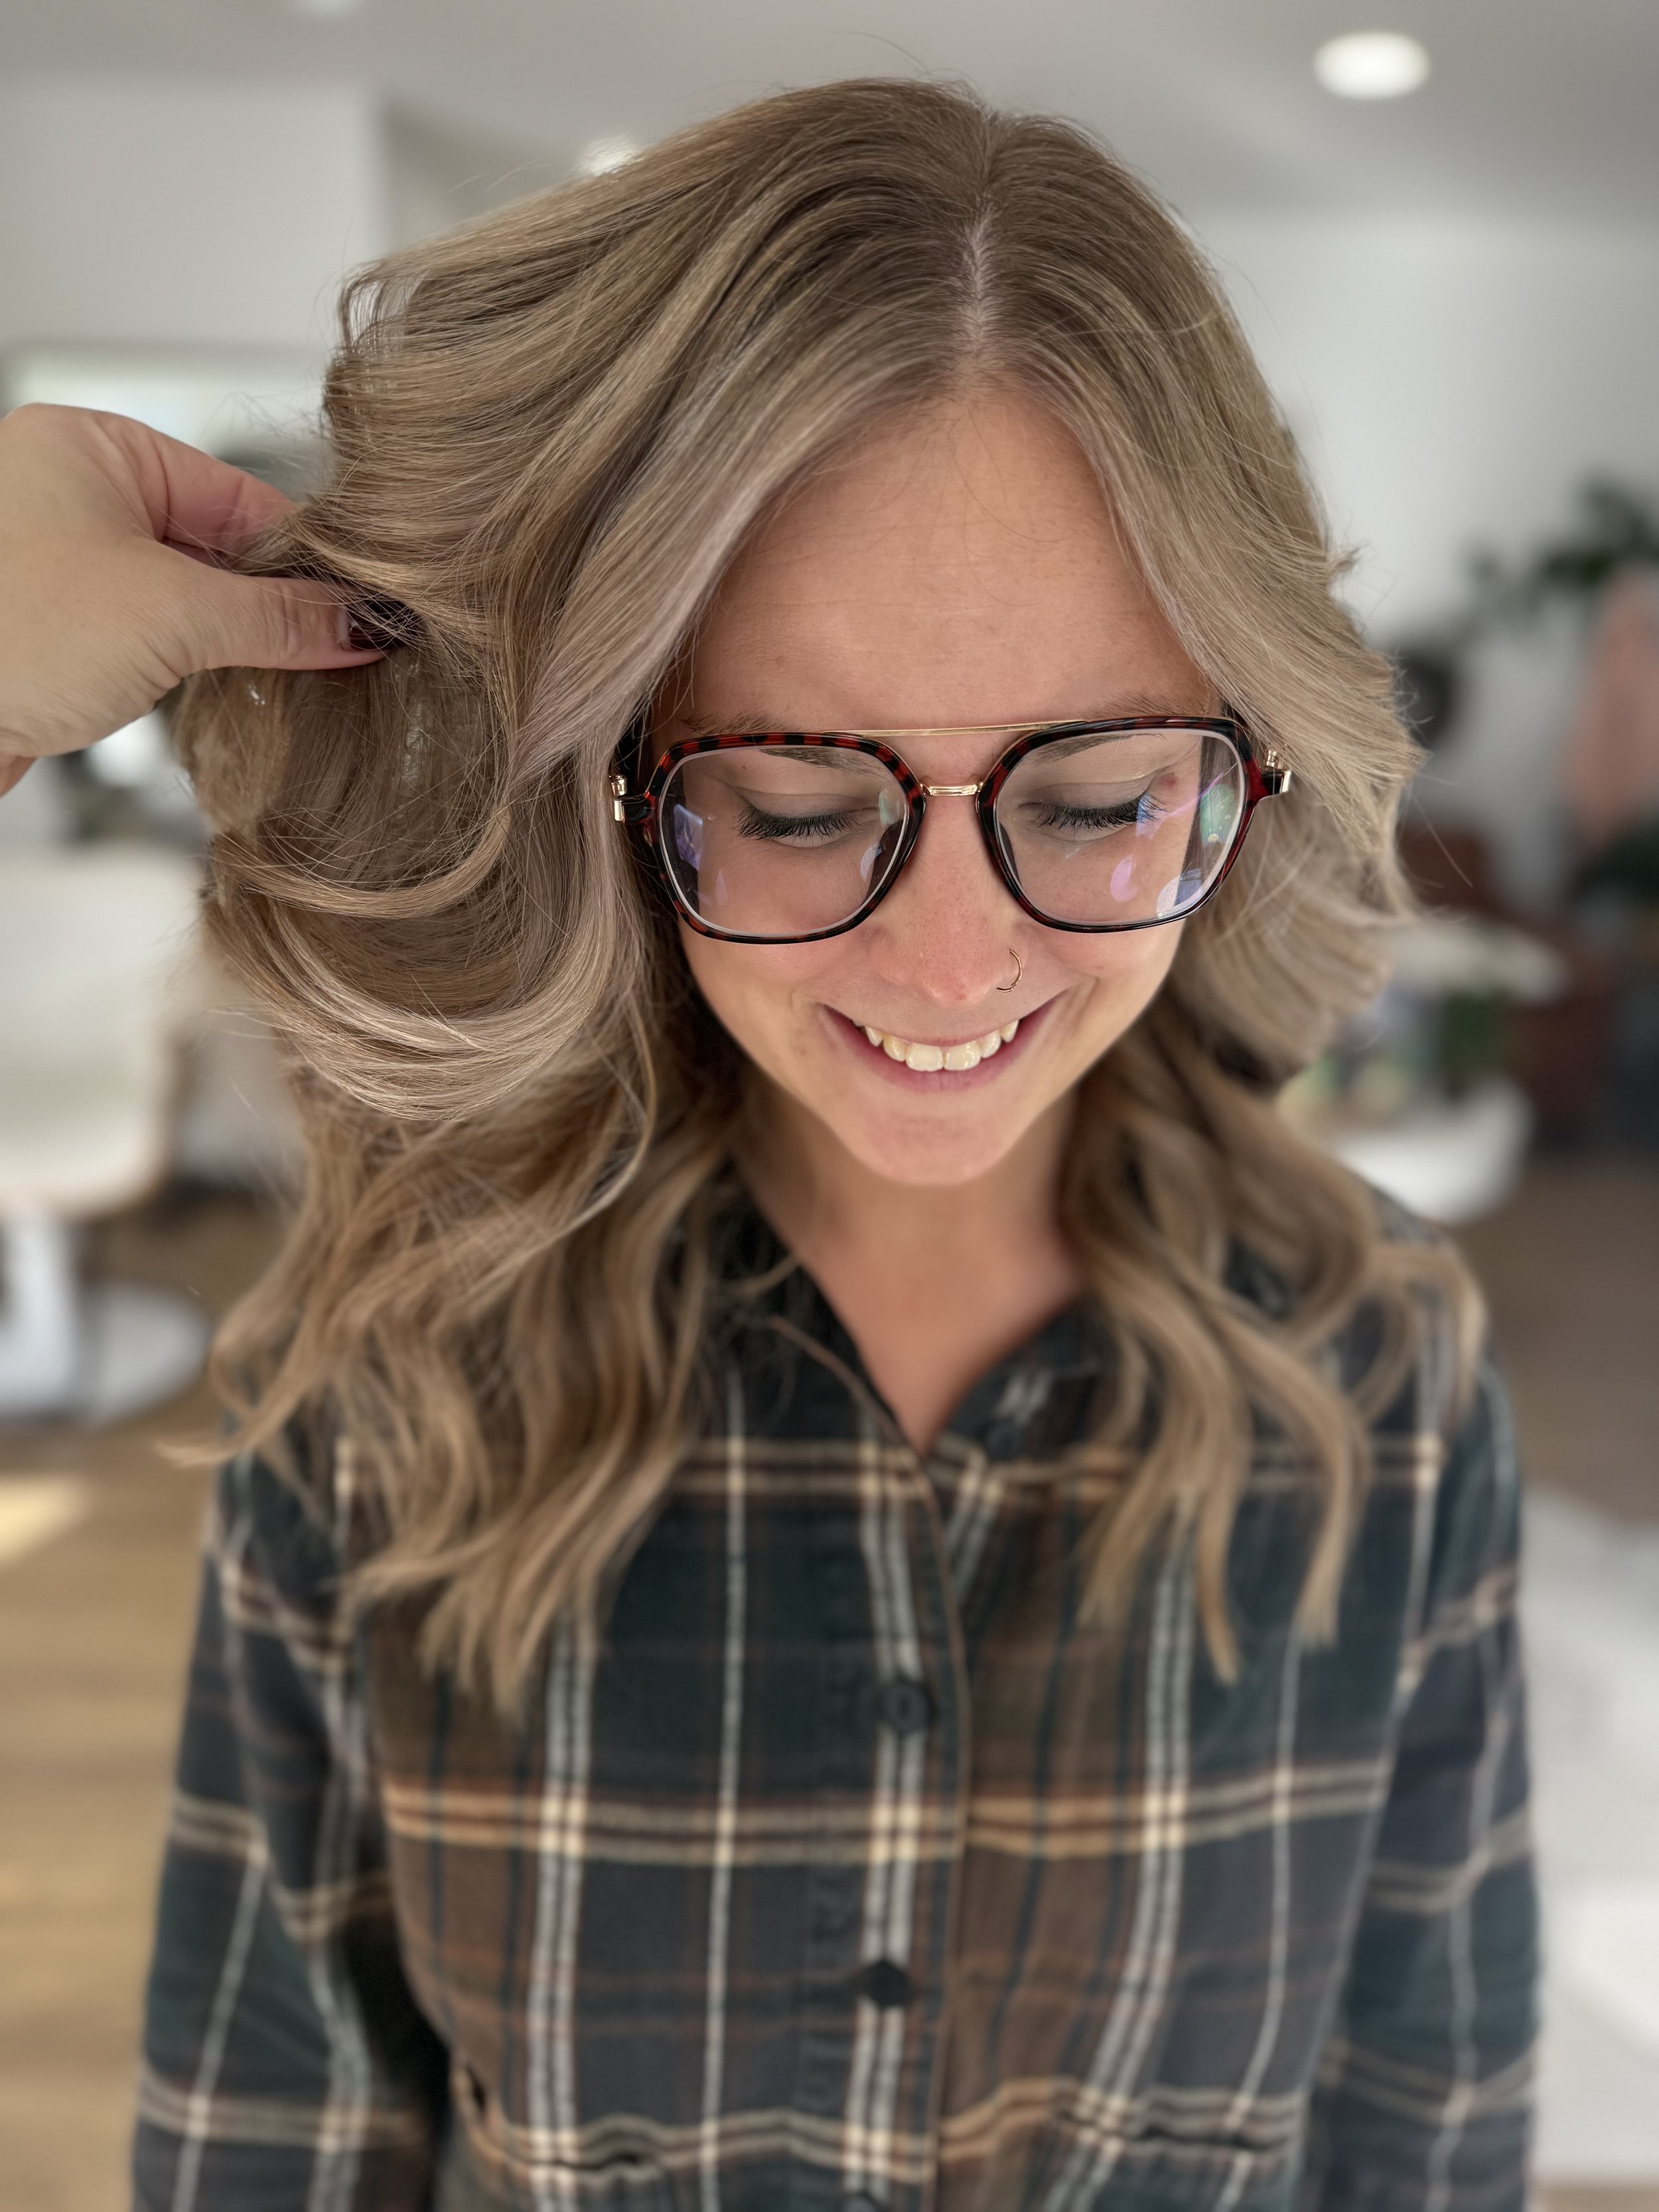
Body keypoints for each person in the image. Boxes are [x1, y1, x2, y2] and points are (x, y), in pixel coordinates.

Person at [0, 78, 1535, 2212]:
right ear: (618, 799)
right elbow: (259, 2142)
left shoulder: (1386, 1369)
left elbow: (1424, 2132)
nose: (947, 962)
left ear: (1247, 777)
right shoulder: (387, 1398)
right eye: (799, 803)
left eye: (1094, 799)